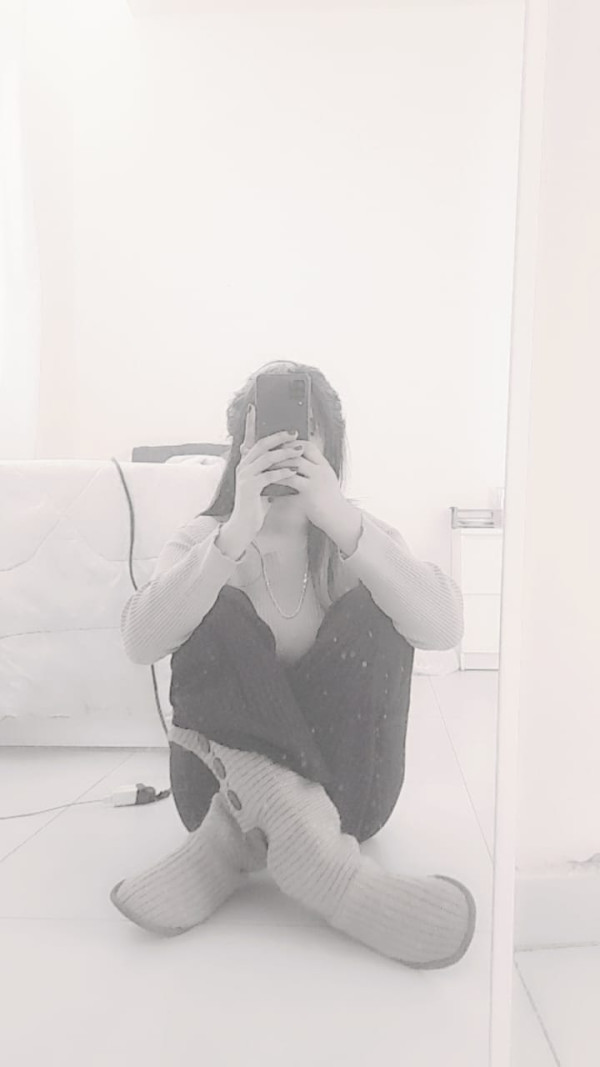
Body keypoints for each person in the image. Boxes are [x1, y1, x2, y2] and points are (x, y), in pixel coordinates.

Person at [110, 360, 476, 968]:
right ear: (241, 450)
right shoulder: (205, 538)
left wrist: (342, 522)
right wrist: (232, 538)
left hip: (349, 800)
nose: (286, 451)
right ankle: (337, 880)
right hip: (210, 793)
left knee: (375, 609)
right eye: (268, 437)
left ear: (331, 448)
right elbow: (139, 643)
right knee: (212, 610)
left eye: (303, 435)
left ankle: (230, 846)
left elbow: (444, 629)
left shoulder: (360, 537)